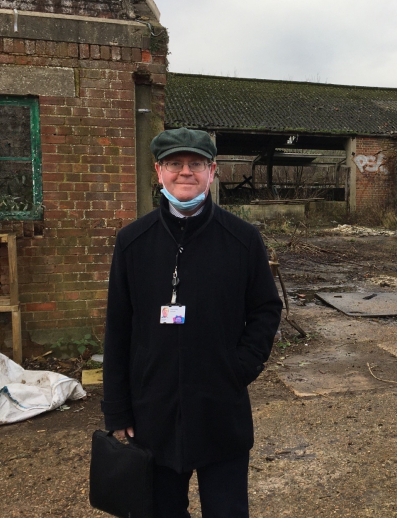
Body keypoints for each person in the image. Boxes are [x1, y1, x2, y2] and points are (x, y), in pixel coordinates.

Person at [101, 127, 282, 517]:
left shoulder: (242, 239)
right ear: (159, 171)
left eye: (196, 163)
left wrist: (240, 367)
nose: (186, 172)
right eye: (175, 164)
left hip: (221, 410)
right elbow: (118, 328)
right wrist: (117, 411)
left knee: (227, 511)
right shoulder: (133, 241)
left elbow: (266, 309)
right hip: (154, 414)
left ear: (212, 171)